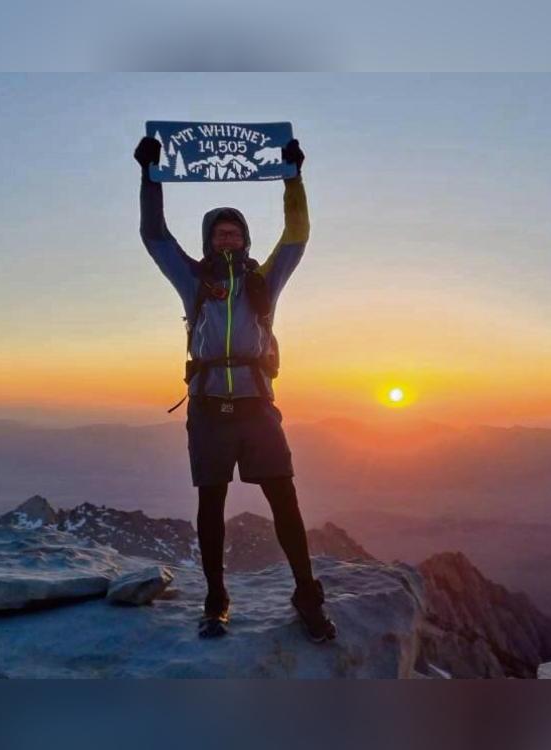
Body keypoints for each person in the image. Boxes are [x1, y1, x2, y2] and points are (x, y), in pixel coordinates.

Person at [134, 134, 337, 643]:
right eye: (220, 234)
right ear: (209, 242)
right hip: (208, 406)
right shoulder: (193, 281)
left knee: (284, 499)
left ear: (246, 240)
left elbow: (296, 236)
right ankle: (216, 598)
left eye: (235, 233)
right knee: (211, 504)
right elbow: (155, 237)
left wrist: (293, 178)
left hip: (257, 405)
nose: (228, 240)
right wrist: (149, 178)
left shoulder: (264, 280)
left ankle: (306, 594)